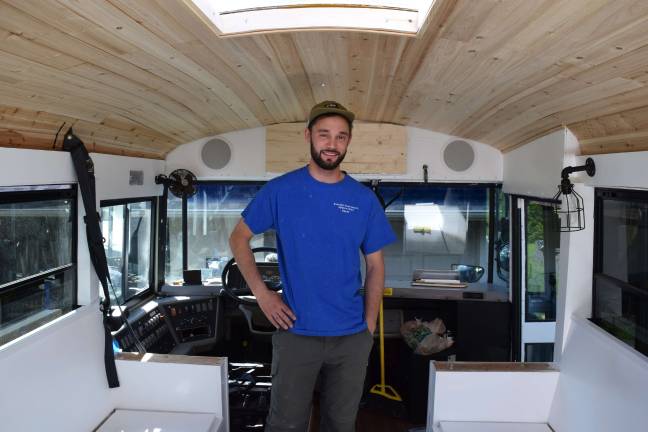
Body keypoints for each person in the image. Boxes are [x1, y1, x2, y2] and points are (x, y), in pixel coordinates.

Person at [229, 100, 396, 432]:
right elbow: (238, 239)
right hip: (296, 333)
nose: (332, 144)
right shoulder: (280, 190)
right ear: (308, 136)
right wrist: (263, 295)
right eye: (324, 135)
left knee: (341, 424)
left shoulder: (363, 199)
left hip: (351, 336)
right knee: (286, 424)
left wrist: (369, 325)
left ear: (348, 142)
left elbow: (375, 265)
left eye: (341, 137)